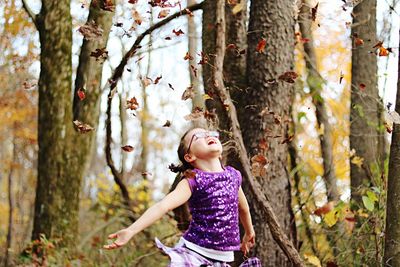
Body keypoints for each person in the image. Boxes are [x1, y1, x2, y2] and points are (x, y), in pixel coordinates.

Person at [104, 128, 257, 266]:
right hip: (194, 252)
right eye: (198, 136)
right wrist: (131, 230)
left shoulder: (233, 176)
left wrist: (249, 232)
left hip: (221, 260)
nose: (207, 136)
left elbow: (243, 208)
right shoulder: (193, 180)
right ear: (190, 156)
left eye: (209, 134)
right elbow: (162, 206)